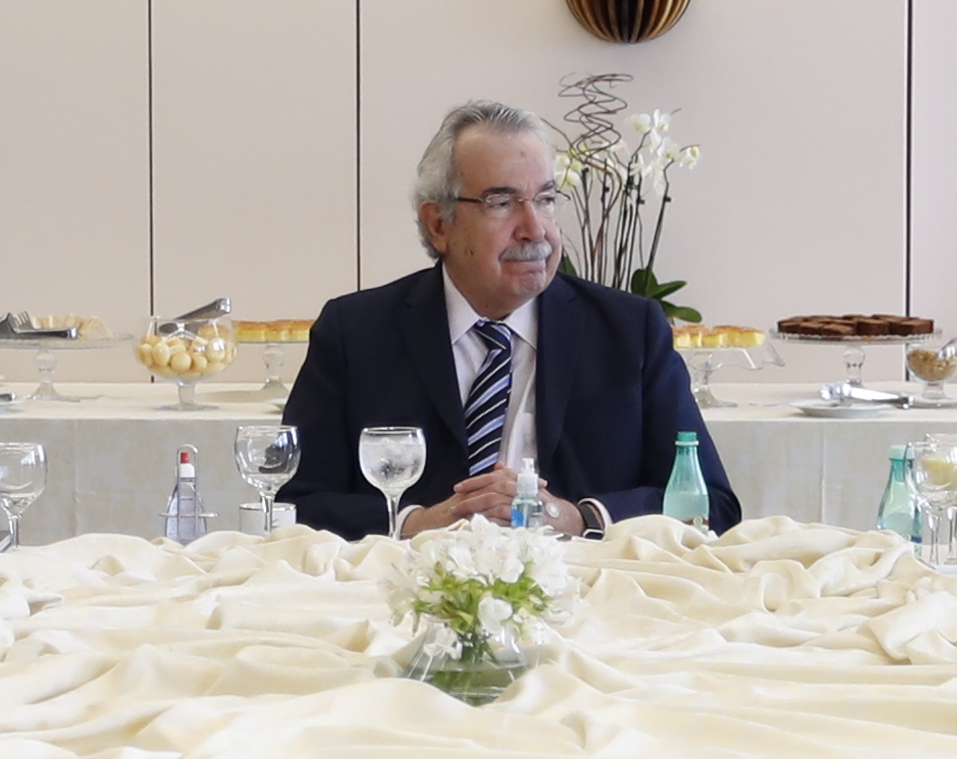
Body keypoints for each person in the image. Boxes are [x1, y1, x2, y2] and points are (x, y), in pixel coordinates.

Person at [275, 101, 740, 538]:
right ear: (439, 224)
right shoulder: (356, 333)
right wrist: (418, 524)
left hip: (590, 590)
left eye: (546, 199)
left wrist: (580, 517)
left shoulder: (628, 330)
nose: (535, 228)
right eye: (502, 202)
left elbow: (709, 506)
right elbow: (291, 504)